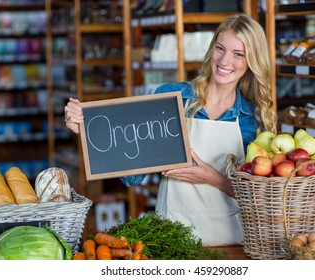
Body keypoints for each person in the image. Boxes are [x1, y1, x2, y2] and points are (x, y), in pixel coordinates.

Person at [64, 13, 277, 246]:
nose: (225, 61)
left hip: (231, 241)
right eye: (220, 48)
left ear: (252, 61)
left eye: (238, 54)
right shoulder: (172, 98)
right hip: (173, 237)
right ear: (211, 50)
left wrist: (213, 178)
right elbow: (132, 175)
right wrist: (89, 131)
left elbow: (261, 197)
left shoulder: (252, 118)